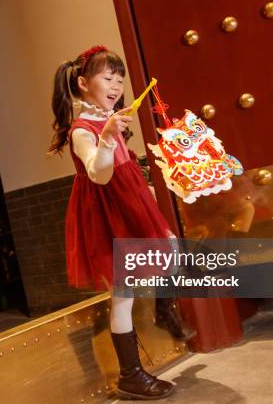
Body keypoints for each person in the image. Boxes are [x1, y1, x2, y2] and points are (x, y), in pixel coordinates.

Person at [49, 45, 175, 400]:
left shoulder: (110, 120)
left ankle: (166, 313)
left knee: (171, 252)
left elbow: (124, 172)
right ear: (84, 83)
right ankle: (131, 375)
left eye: (119, 78)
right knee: (122, 296)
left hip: (130, 208)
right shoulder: (83, 129)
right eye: (108, 77)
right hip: (108, 217)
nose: (116, 84)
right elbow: (99, 175)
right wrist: (105, 136)